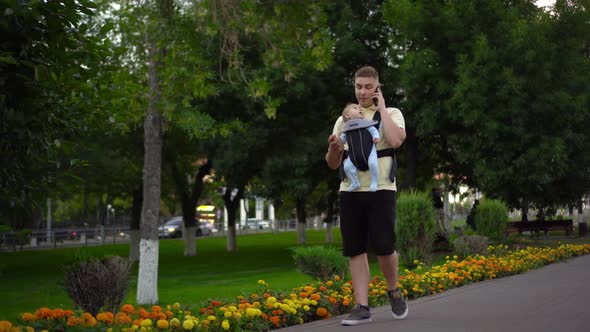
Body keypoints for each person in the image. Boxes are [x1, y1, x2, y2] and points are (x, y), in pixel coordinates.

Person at [326, 66, 408, 326]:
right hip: (350, 190)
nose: (362, 92)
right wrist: (333, 148)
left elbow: (395, 141)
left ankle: (393, 290)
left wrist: (381, 108)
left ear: (377, 87)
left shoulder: (392, 113)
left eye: (368, 87)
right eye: (358, 86)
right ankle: (362, 306)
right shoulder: (344, 119)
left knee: (385, 247)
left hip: (381, 188)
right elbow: (331, 163)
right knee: (355, 249)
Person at [340, 103, 380, 192]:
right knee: (347, 167)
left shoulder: (365, 124)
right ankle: (355, 182)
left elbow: (373, 130)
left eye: (359, 108)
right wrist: (337, 141)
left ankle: (374, 182)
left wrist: (376, 137)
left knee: (373, 164)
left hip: (369, 151)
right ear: (348, 115)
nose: (360, 109)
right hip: (353, 155)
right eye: (355, 108)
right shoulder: (346, 129)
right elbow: (342, 139)